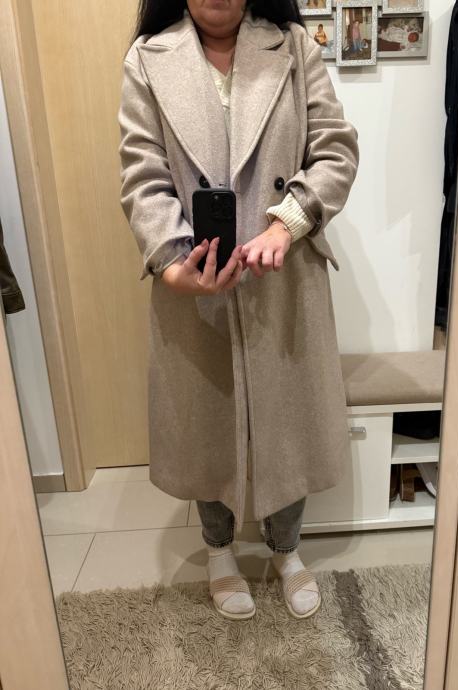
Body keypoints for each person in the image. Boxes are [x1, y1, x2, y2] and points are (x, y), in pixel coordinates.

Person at [118, 0, 359, 622]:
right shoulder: (148, 59)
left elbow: (335, 151)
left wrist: (288, 222)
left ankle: (286, 550)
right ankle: (219, 551)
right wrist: (175, 265)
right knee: (207, 421)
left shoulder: (294, 47)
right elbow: (143, 177)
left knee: (288, 422)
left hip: (283, 275)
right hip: (195, 276)